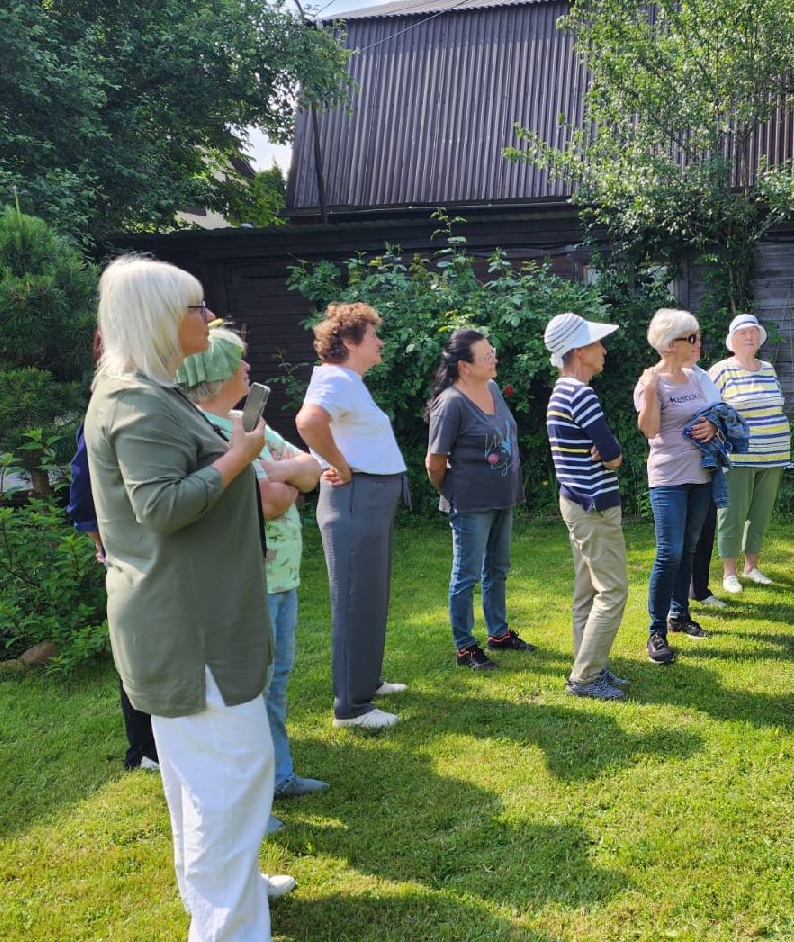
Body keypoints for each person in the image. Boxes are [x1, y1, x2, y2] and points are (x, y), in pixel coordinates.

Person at [83, 255, 296, 942]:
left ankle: (228, 896)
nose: (208, 319)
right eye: (196, 307)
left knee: (203, 775)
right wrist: (238, 457)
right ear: (156, 318)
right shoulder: (135, 402)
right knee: (232, 774)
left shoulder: (151, 391)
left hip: (201, 615)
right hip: (188, 625)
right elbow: (162, 507)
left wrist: (235, 454)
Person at [178, 324, 327, 800]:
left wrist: (276, 471)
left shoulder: (250, 424)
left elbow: (311, 469)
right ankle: (251, 798)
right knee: (247, 695)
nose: (247, 368)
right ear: (217, 373)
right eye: (238, 361)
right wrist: (284, 480)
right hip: (247, 585)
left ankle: (279, 775)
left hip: (282, 579)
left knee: (277, 683)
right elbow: (266, 504)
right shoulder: (201, 432)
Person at [295, 303, 407, 730]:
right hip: (355, 498)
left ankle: (366, 683)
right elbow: (309, 421)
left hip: (368, 499)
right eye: (373, 335)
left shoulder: (348, 381)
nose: (380, 342)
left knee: (371, 595)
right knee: (355, 599)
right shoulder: (336, 379)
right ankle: (351, 707)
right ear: (348, 342)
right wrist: (338, 464)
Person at [425, 329, 534, 671]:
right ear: (464, 366)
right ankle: (465, 646)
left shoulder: (491, 388)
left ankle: (498, 633)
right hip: (470, 501)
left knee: (498, 568)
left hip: (503, 495)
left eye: (492, 352)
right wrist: (451, 491)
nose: (494, 358)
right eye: (486, 356)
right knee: (467, 574)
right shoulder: (452, 403)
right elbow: (434, 461)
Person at [544, 313, 632, 700]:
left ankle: (591, 665)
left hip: (575, 502)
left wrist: (606, 453)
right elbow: (611, 453)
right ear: (579, 351)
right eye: (598, 344)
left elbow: (603, 448)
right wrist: (611, 458)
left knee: (587, 594)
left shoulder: (561, 391)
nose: (605, 351)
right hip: (594, 505)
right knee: (613, 592)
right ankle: (586, 678)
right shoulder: (581, 393)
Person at [68, 417, 160, 774]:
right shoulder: (101, 418)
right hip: (131, 552)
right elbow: (82, 492)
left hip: (155, 548)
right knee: (137, 645)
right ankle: (144, 748)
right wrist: (101, 543)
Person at [634, 308, 720, 665]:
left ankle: (679, 615)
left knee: (689, 547)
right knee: (669, 551)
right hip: (668, 476)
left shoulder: (696, 377)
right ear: (671, 344)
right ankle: (656, 630)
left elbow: (715, 413)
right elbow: (650, 429)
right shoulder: (650, 381)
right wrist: (652, 390)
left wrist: (714, 428)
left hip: (701, 473)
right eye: (692, 338)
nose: (699, 343)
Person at [707, 313, 791, 595]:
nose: (749, 336)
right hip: (739, 456)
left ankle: (752, 567)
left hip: (774, 454)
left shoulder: (768, 368)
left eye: (754, 332)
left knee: (760, 513)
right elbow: (708, 411)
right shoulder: (721, 370)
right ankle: (729, 573)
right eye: (743, 333)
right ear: (732, 340)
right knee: (732, 513)